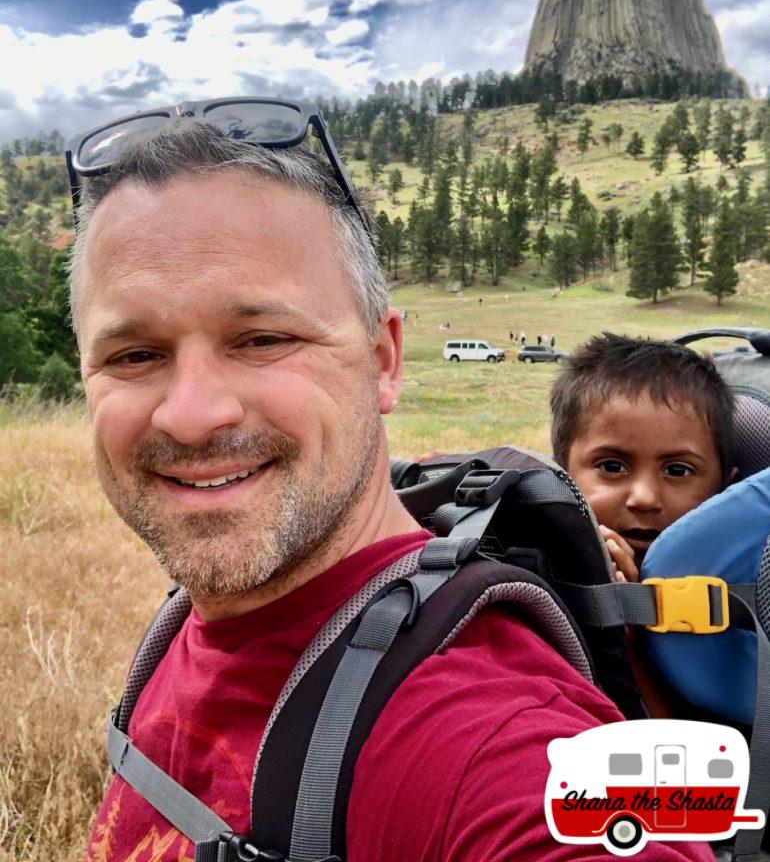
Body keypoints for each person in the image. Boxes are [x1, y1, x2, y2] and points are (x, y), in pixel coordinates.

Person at [70, 109, 712, 862]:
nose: (190, 415)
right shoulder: (189, 622)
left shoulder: (494, 740)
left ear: (383, 361)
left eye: (264, 339)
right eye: (136, 355)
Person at [550, 333, 735, 584]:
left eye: (678, 471)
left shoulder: (753, 594)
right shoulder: (525, 591)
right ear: (558, 476)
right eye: (612, 467)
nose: (644, 498)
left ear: (726, 490)